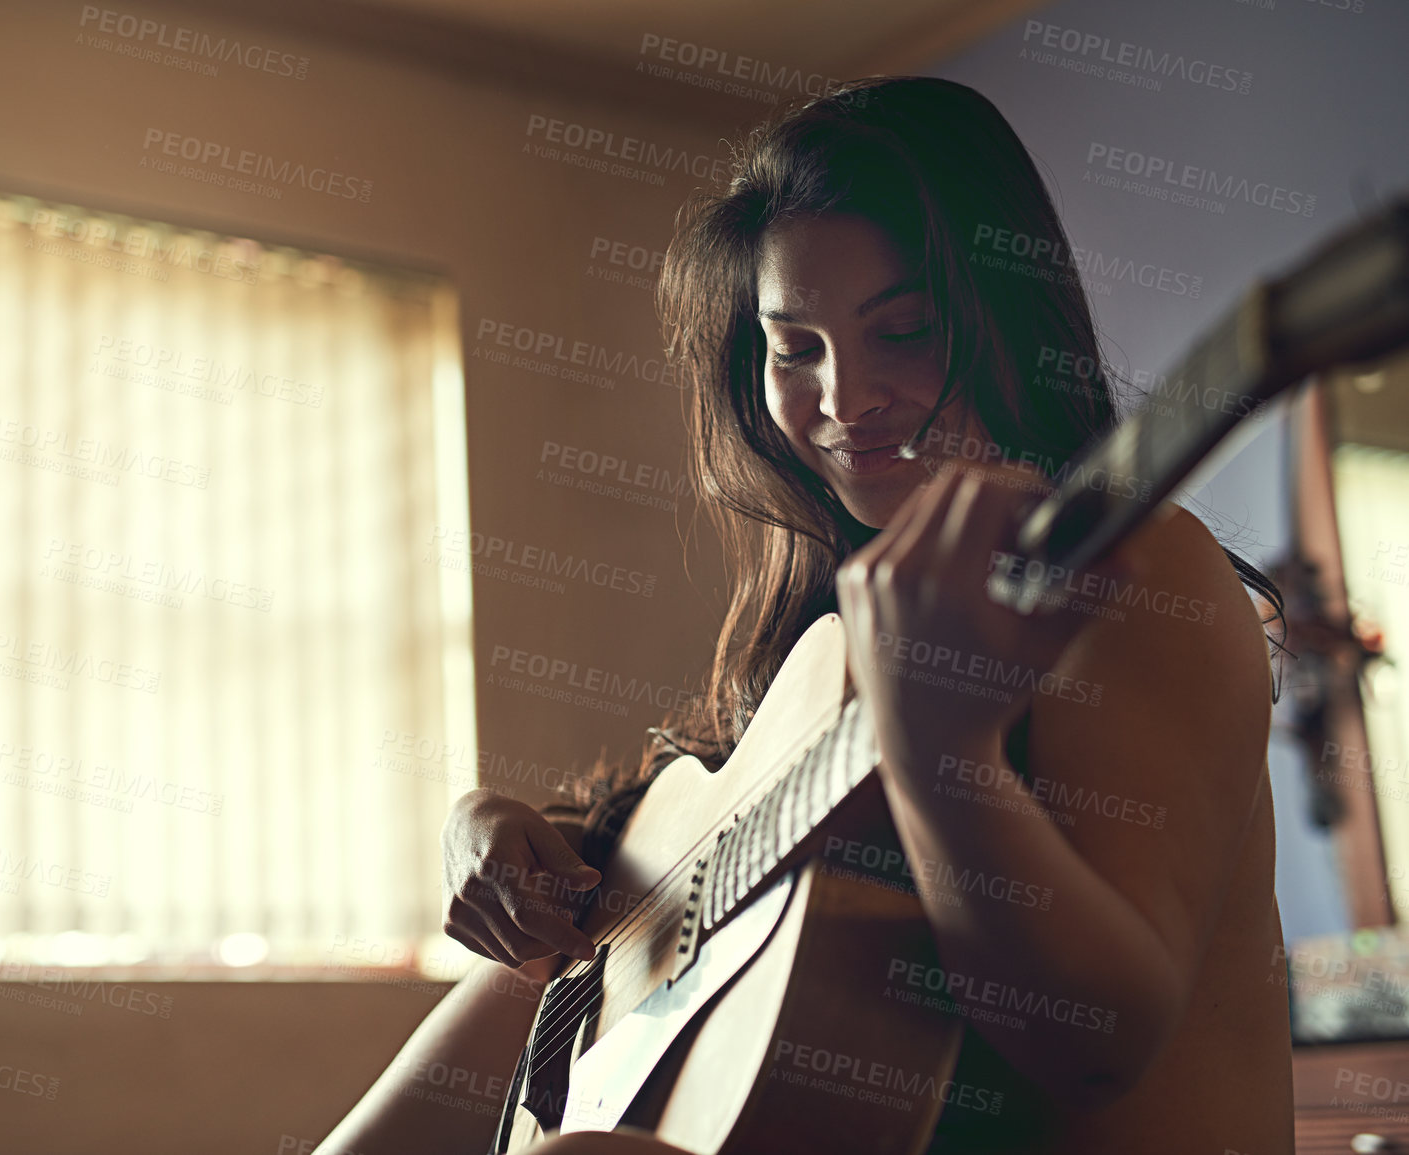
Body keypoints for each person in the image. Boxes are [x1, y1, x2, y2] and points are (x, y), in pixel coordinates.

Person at [321, 75, 1294, 1155]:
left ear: (1010, 317)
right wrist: (485, 830)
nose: (844, 398)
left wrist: (937, 750)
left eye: (909, 329)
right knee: (509, 1007)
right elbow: (654, 838)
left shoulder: (1130, 570)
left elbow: (1097, 1044)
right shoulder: (834, 620)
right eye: (795, 349)